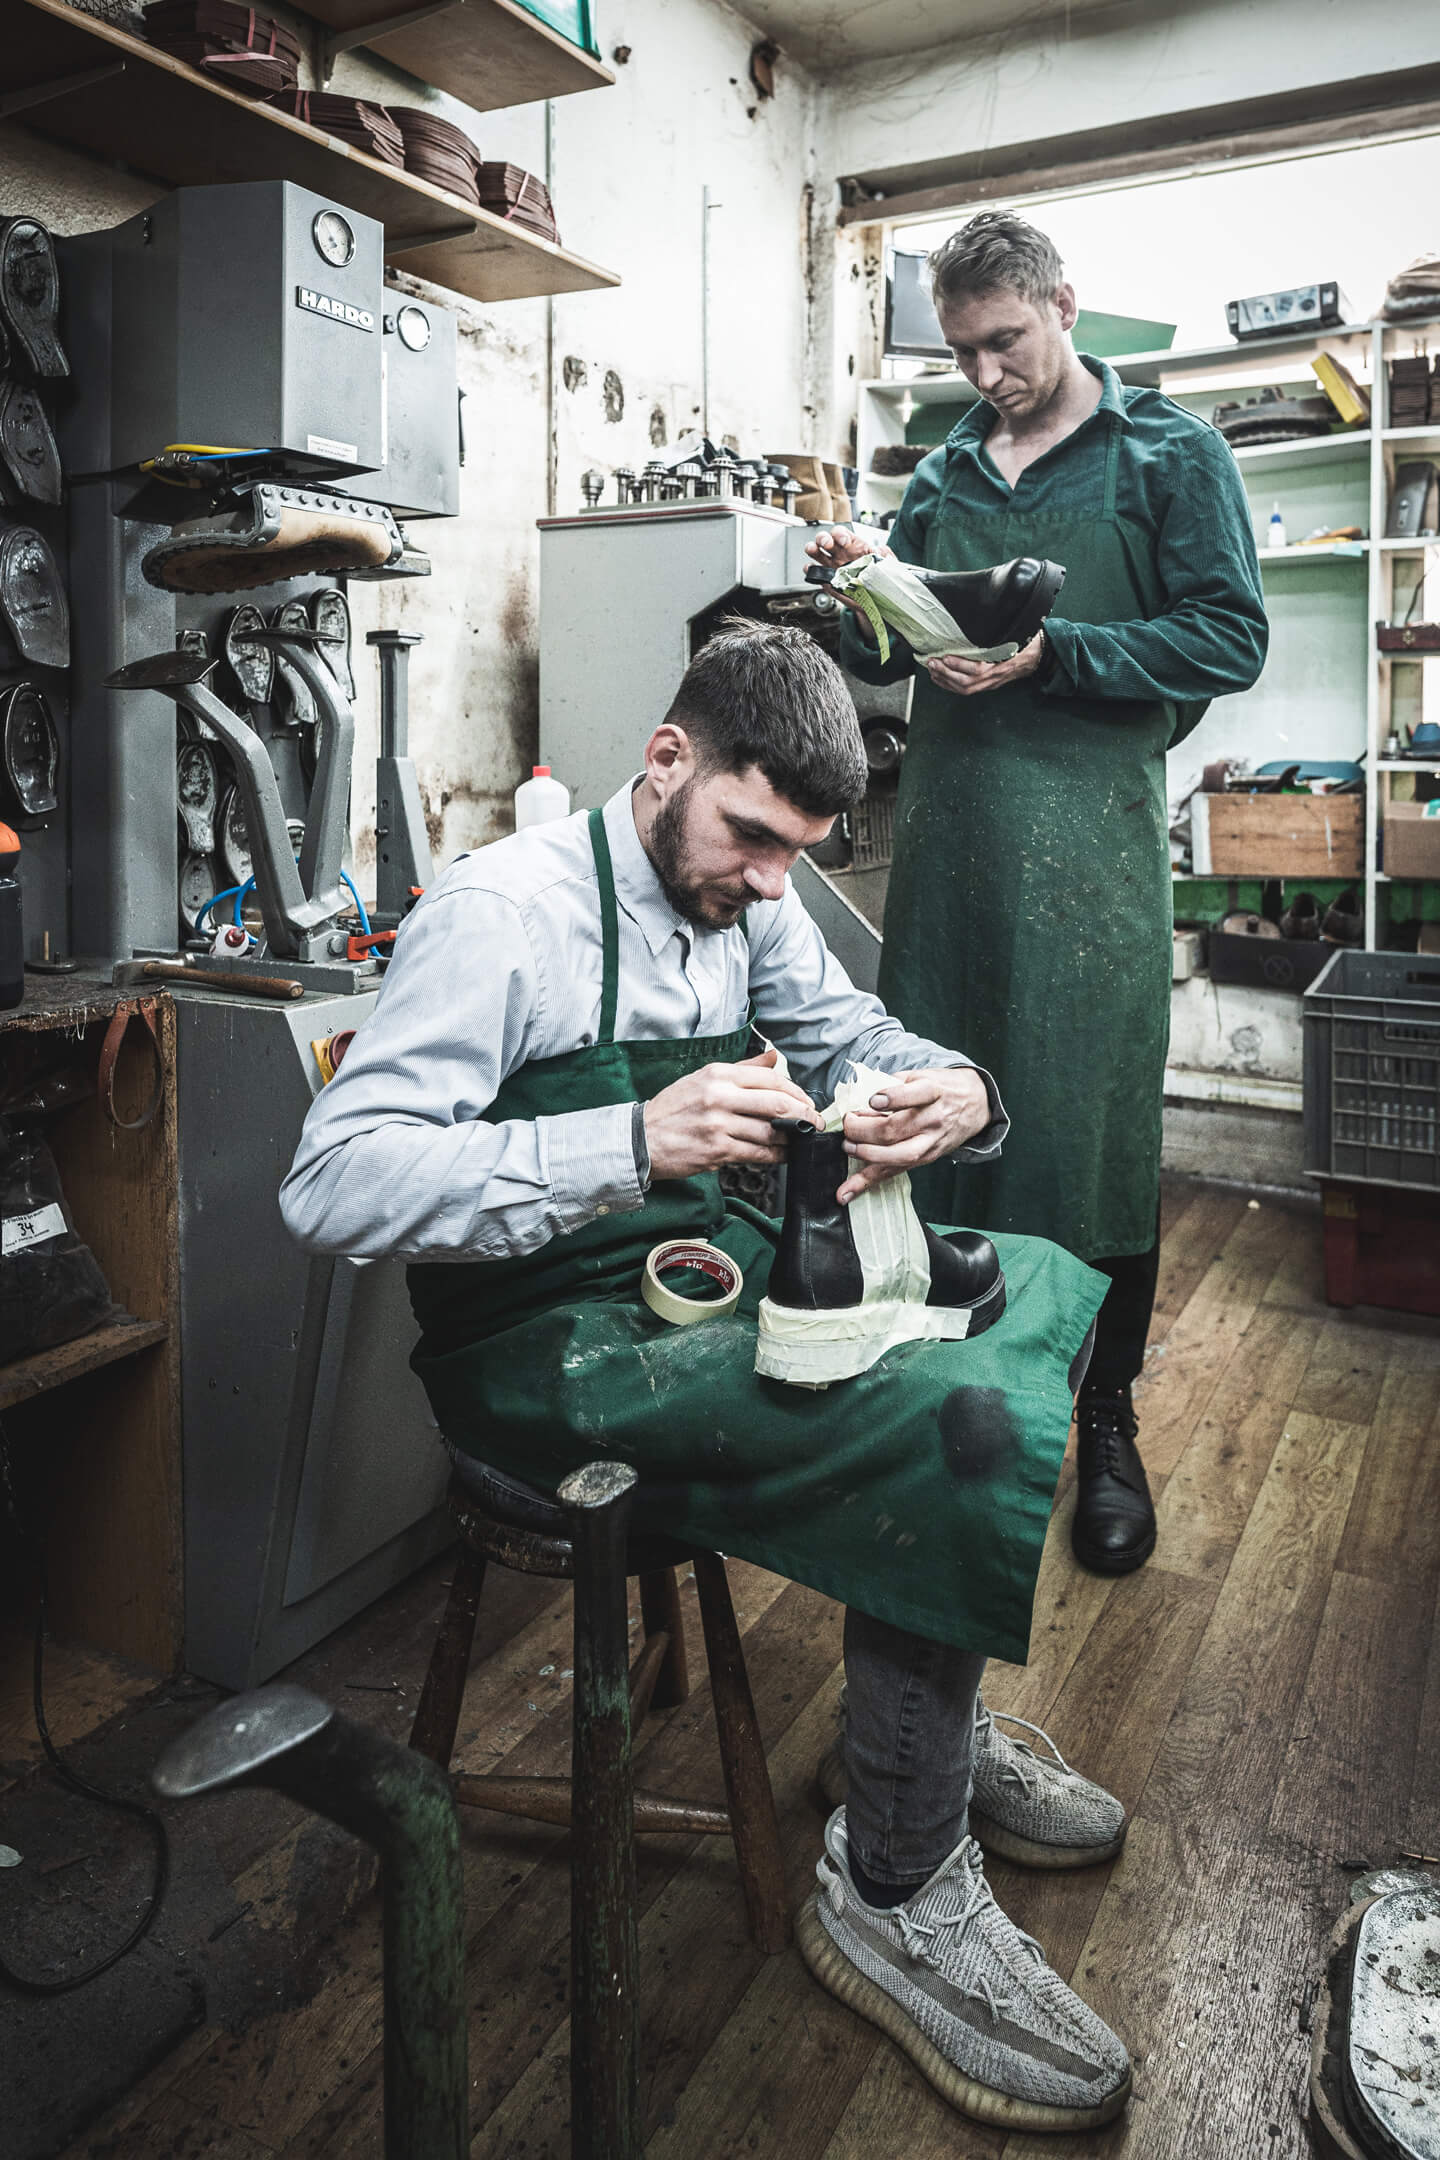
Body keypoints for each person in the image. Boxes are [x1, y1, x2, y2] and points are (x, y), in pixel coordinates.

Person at [281, 621, 1132, 2133]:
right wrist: (625, 1142)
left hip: (702, 1277)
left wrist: (953, 1088)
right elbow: (333, 1186)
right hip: (545, 1345)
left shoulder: (751, 899)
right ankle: (892, 1882)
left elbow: (846, 1033)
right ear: (666, 759)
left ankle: (909, 1743)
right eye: (751, 838)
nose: (763, 882)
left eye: (793, 855)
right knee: (953, 1420)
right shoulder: (504, 914)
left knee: (1035, 1290)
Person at [814, 210, 1268, 1577]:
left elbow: (1229, 633)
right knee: (930, 1113)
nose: (988, 374)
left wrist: (1052, 653)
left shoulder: (1169, 456)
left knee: (1089, 1135)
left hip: (1090, 852)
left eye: (1006, 342)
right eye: (962, 353)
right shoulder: (946, 469)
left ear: (1064, 307)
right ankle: (947, 1395)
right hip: (953, 846)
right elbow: (892, 638)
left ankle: (1104, 1420)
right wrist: (860, 595)